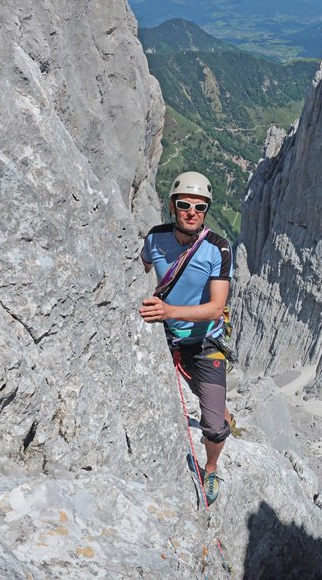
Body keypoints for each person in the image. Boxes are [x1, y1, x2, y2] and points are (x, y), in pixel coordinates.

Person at [139, 171, 233, 505]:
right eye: (184, 205)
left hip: (204, 343)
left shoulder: (218, 248)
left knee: (215, 426)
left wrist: (168, 311)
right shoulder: (155, 238)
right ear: (172, 206)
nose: (192, 212)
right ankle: (217, 403)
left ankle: (211, 467)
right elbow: (138, 269)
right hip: (164, 336)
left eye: (200, 207)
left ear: (206, 210)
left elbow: (216, 308)